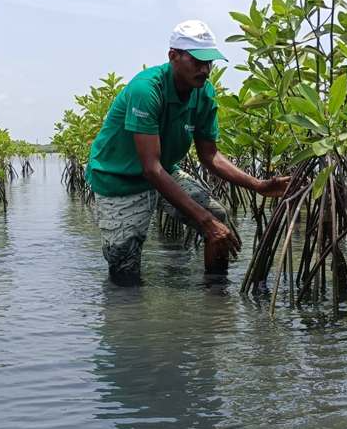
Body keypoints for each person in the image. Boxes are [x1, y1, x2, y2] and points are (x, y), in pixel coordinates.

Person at [85, 19, 290, 285]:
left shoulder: (203, 93)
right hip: (119, 179)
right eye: (197, 61)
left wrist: (258, 185)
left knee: (218, 218)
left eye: (209, 62)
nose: (205, 70)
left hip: (164, 171)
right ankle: (128, 322)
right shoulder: (146, 90)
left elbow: (210, 156)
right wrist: (203, 221)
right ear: (173, 56)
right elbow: (150, 168)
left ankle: (215, 302)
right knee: (124, 267)